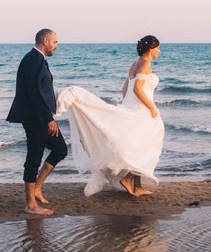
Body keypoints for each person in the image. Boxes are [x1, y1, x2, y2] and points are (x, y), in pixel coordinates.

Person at [56, 35, 164, 197]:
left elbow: (126, 87)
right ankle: (129, 180)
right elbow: (137, 89)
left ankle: (136, 185)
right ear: (151, 49)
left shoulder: (135, 64)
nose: (159, 52)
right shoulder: (146, 63)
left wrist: (126, 104)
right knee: (148, 143)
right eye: (158, 48)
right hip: (142, 110)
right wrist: (151, 108)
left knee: (138, 145)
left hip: (133, 106)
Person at [7, 29, 68, 215]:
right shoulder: (33, 60)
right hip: (36, 119)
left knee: (60, 149)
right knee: (34, 157)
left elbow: (42, 88)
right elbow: (34, 93)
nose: (57, 46)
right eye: (55, 42)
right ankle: (30, 205)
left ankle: (37, 188)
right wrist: (48, 118)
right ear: (46, 41)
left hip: (41, 117)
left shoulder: (38, 59)